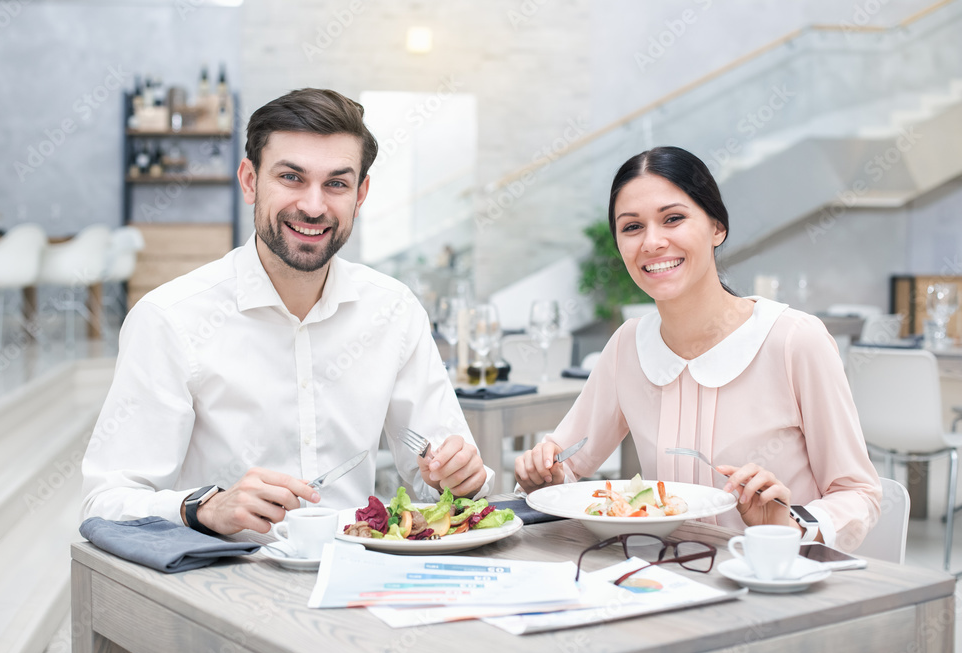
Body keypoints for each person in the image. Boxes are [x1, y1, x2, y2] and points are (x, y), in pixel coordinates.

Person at [82, 88, 492, 536]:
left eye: (336, 183)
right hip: (220, 581)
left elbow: (445, 478)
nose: (313, 206)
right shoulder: (169, 318)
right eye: (292, 178)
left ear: (360, 194)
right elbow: (105, 502)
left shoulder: (393, 310)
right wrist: (205, 506)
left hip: (359, 571)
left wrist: (459, 476)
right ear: (250, 181)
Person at [515, 146, 880, 551]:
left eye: (673, 218)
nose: (652, 242)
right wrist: (543, 472)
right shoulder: (627, 346)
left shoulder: (795, 340)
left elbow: (858, 492)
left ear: (717, 227)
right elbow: (564, 463)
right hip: (665, 578)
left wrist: (792, 523)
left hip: (773, 582)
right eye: (632, 227)